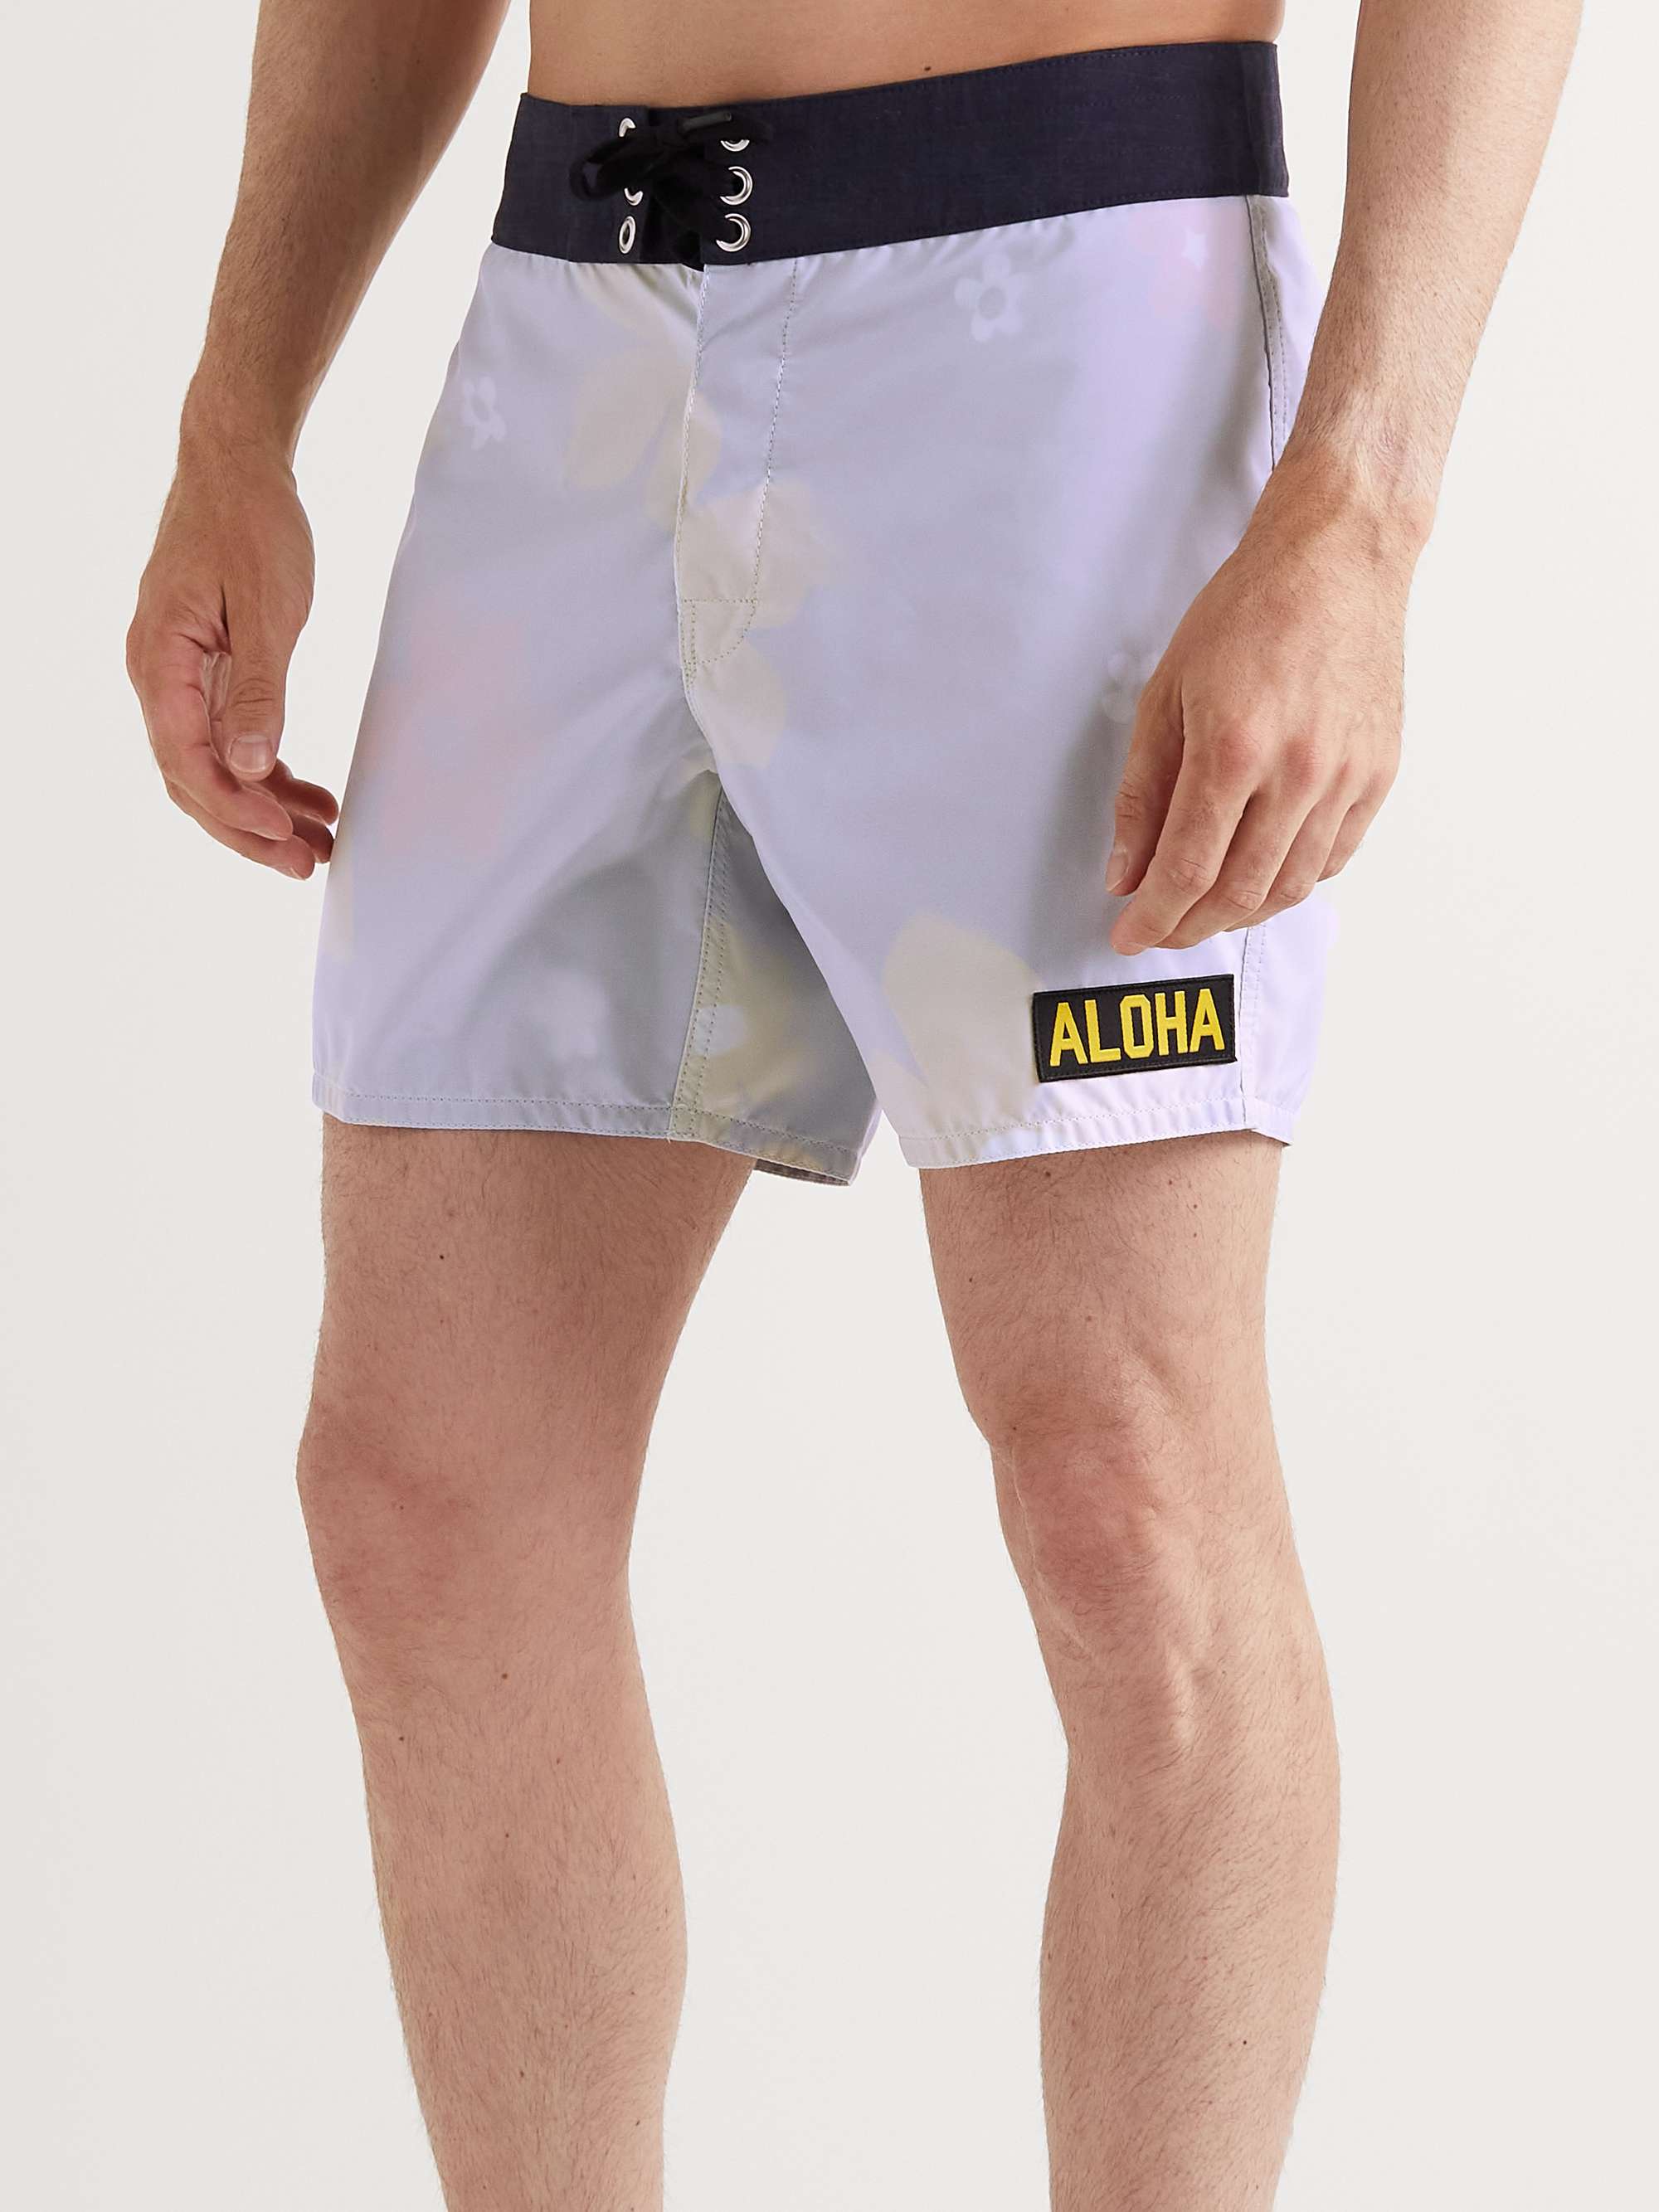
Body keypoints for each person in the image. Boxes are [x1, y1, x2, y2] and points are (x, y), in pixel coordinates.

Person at [125, 0, 1580, 2203]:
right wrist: (240, 406)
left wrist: (1361, 509)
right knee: (421, 1502)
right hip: (576, 342)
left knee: (1124, 1493)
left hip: (1069, 315)